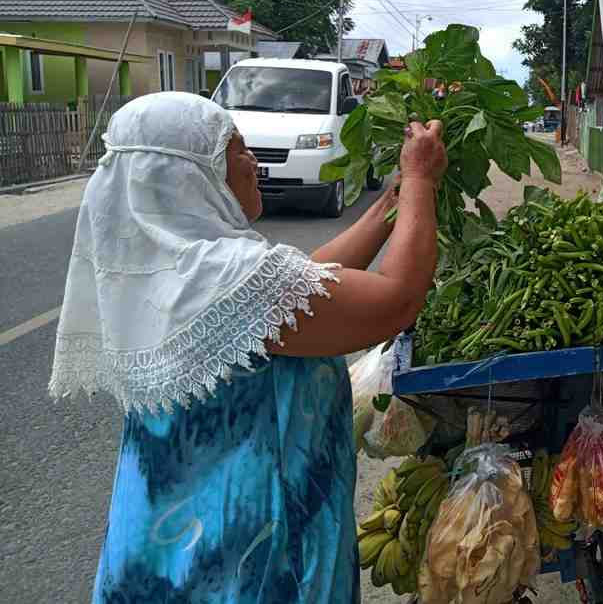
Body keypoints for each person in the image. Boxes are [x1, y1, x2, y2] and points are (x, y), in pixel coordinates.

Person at [48, 92, 447, 603]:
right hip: (250, 564)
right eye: (233, 149)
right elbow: (395, 302)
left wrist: (392, 202)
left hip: (161, 554)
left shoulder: (171, 270)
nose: (252, 159)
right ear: (191, 176)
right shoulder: (225, 276)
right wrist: (420, 182)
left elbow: (306, 283)